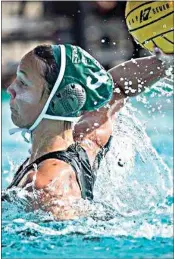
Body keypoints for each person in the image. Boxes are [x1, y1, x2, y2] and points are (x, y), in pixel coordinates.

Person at [3, 43, 172, 220]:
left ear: (60, 100)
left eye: (23, 83)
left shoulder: (47, 187)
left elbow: (63, 242)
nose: (11, 89)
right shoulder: (87, 140)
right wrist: (165, 63)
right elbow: (117, 87)